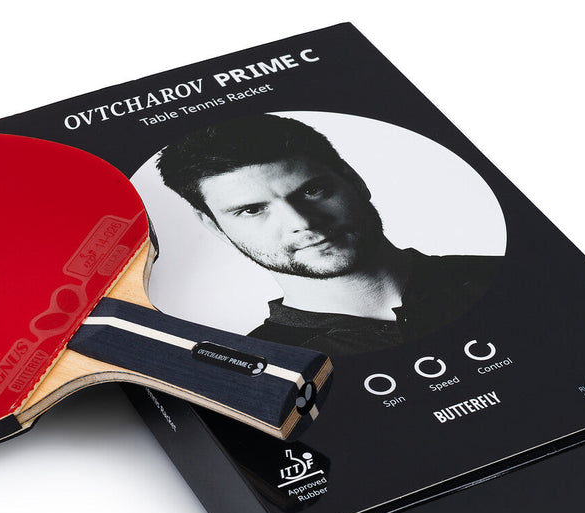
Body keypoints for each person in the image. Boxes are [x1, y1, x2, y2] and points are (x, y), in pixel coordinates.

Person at [156, 114, 500, 355]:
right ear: (214, 226)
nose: (302, 222)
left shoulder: (507, 275)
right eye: (252, 210)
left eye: (312, 191)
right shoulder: (262, 370)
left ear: (355, 181)